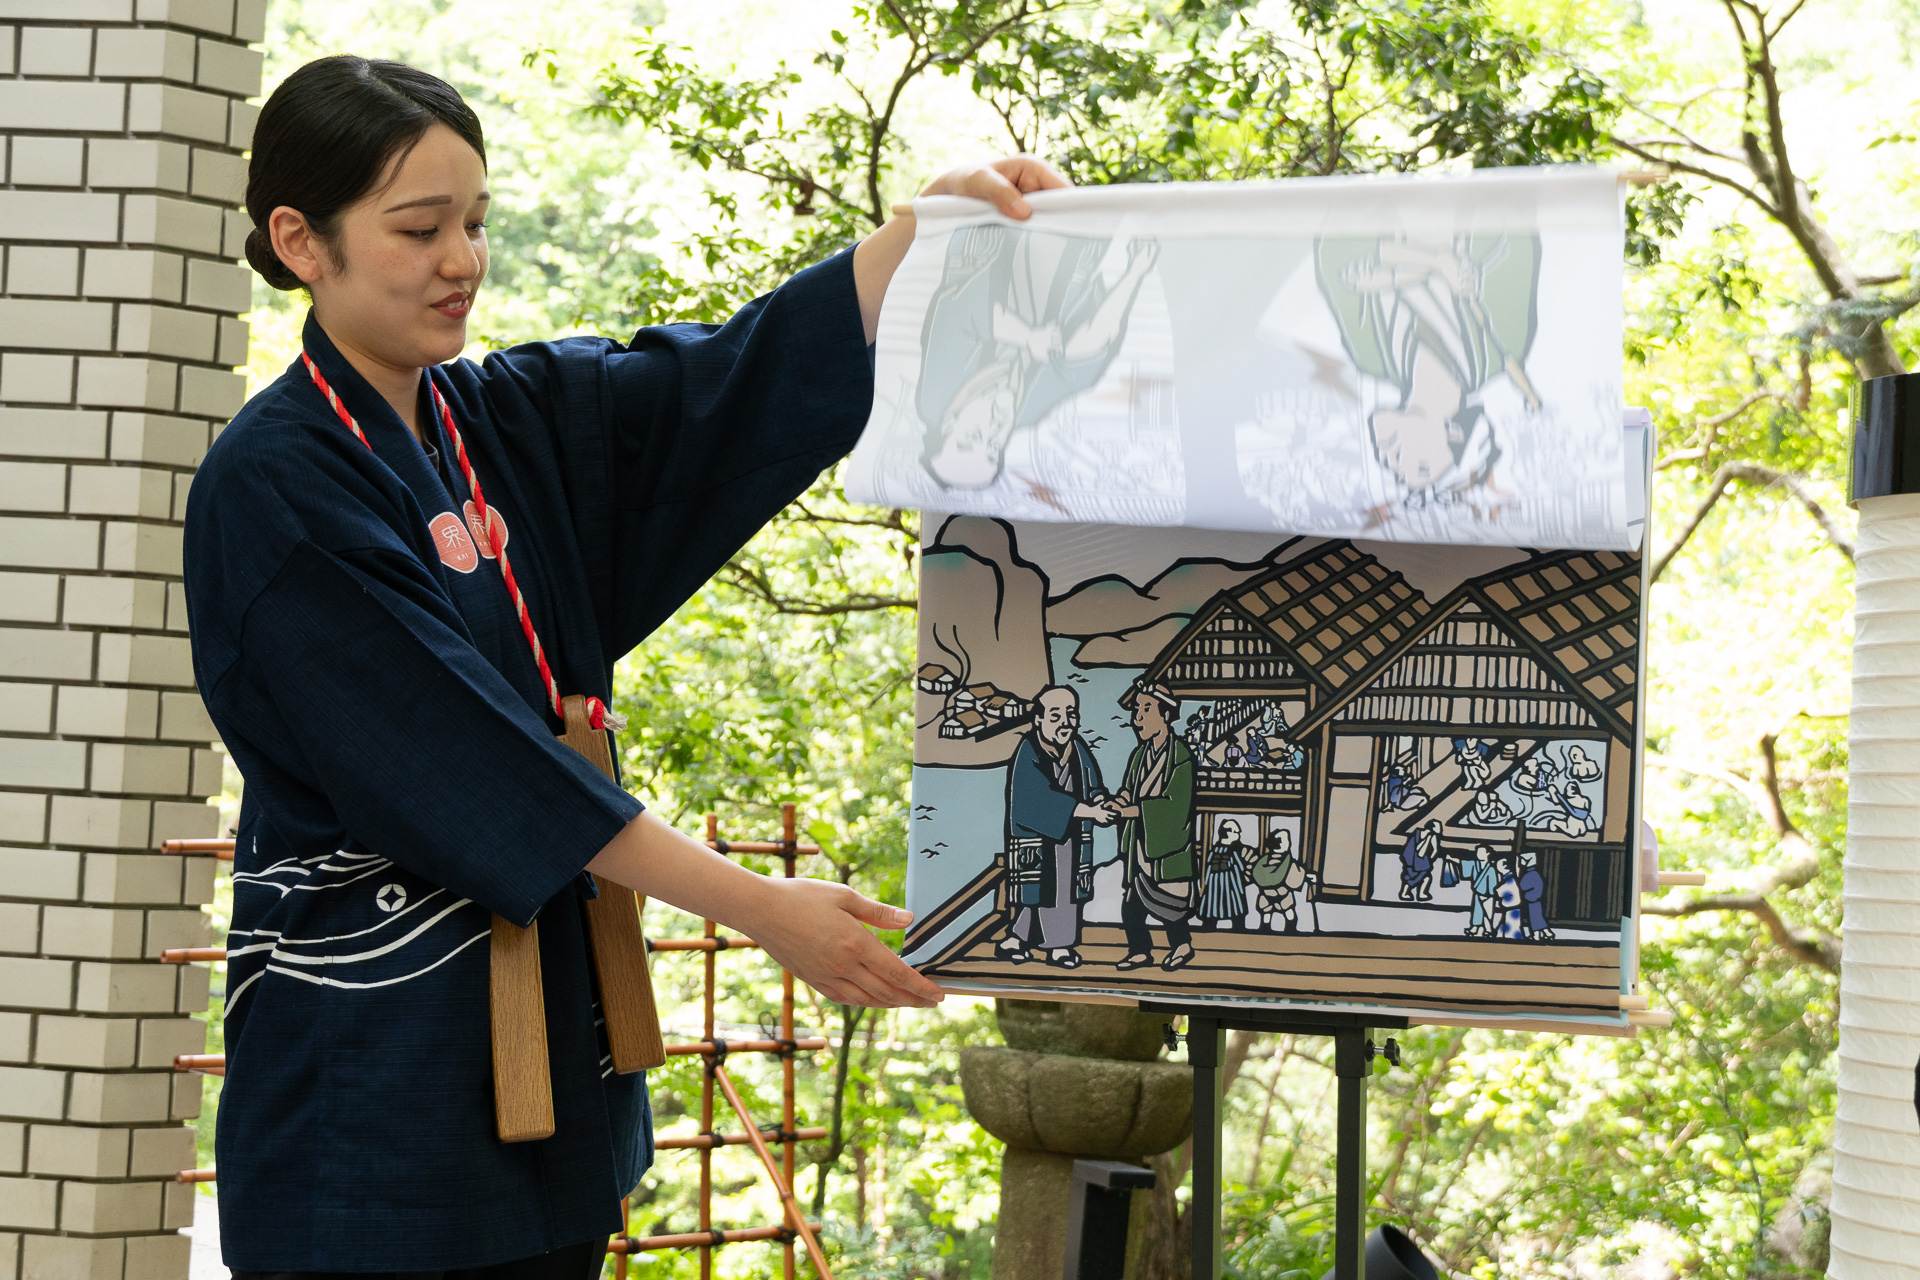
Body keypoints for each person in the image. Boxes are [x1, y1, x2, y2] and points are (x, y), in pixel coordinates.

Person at [184, 56, 1065, 1280]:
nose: (463, 259)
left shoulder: (492, 420)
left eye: (476, 223)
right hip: (372, 1088)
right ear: (301, 239)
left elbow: (710, 387)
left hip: (551, 1062)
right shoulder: (273, 483)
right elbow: (477, 763)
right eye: (420, 228)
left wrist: (915, 238)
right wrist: (766, 911)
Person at [997, 686, 1112, 967]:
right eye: (1056, 715)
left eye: (1071, 714)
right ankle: (1054, 946)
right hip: (1039, 838)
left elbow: (1093, 784)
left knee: (1058, 892)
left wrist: (1102, 802)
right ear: (1039, 718)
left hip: (1072, 839)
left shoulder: (1078, 748)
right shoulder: (1028, 750)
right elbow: (1033, 800)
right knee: (1047, 891)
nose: (1065, 722)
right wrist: (1086, 810)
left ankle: (1023, 941)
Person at [1110, 681, 1198, 971]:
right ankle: (1139, 951)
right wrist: (1119, 801)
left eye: (1146, 708)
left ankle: (1182, 945)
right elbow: (1129, 789)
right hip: (1141, 844)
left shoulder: (1181, 755)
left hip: (1165, 846)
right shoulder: (1139, 755)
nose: (1138, 717)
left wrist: (1135, 811)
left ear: (1166, 714)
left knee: (1171, 904)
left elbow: (1176, 806)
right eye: (1137, 709)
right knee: (1132, 904)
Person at [1248, 828, 1310, 933]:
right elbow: (1296, 876)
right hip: (1283, 894)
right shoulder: (1288, 862)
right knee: (1289, 913)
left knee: (1266, 914)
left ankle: (1264, 931)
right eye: (1287, 840)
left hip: (1266, 894)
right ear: (1282, 844)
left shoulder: (1262, 861)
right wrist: (1307, 876)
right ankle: (1291, 931)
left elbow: (1255, 874)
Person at [1196, 819, 1252, 929]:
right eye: (1236, 832)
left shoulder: (1235, 850)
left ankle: (1238, 930)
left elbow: (1240, 867)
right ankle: (1209, 927)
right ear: (1227, 833)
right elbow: (1208, 865)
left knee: (1235, 909)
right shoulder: (1216, 850)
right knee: (1214, 907)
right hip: (1216, 886)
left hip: (1231, 885)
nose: (1238, 834)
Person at [1399, 819, 1441, 902]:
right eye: (1438, 827)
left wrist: (1430, 859)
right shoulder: (1427, 835)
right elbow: (1420, 852)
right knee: (1416, 877)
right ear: (1432, 827)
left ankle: (1420, 893)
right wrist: (1428, 839)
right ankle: (1406, 893)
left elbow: (1435, 850)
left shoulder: (1430, 835)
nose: (1441, 829)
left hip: (1419, 861)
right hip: (1416, 861)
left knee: (1424, 877)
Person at [1517, 849, 1554, 940]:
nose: (1520, 862)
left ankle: (1538, 935)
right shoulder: (1535, 873)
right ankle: (1546, 933)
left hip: (1532, 900)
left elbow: (1522, 886)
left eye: (1522, 859)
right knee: (1537, 917)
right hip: (1535, 900)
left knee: (1535, 918)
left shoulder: (1530, 874)